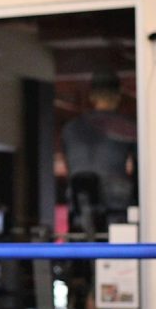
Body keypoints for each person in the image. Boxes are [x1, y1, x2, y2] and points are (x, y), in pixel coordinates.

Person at [61, 69, 138, 232]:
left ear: (91, 96)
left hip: (78, 210)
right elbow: (141, 172)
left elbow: (70, 169)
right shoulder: (127, 127)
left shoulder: (70, 128)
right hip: (117, 211)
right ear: (118, 96)